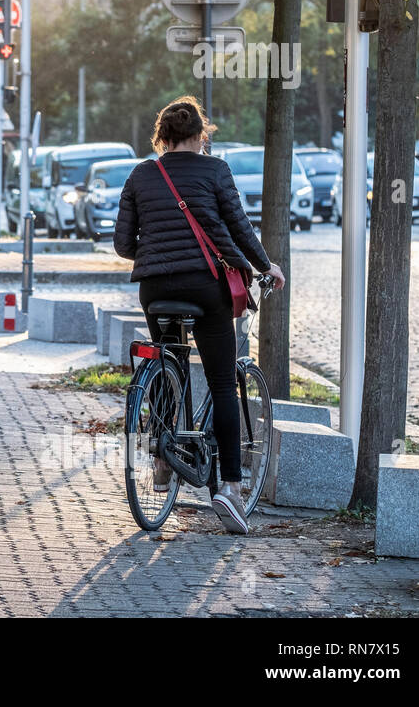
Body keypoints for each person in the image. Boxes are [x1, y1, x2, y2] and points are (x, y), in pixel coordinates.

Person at [113, 95, 286, 535]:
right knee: (223, 382)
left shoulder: (140, 174)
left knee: (168, 362)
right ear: (200, 135)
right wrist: (266, 266)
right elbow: (240, 228)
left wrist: (152, 252)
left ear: (163, 137)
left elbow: (123, 245)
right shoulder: (216, 170)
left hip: (155, 289)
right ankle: (229, 488)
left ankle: (162, 459)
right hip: (207, 287)